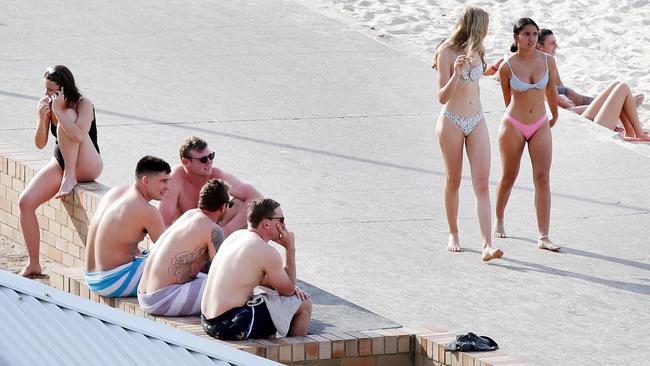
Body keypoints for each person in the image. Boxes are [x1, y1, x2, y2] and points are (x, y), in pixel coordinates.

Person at [18, 65, 103, 277]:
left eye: (51, 90)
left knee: (68, 115)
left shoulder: (84, 104)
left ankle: (70, 176)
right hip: (61, 161)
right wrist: (42, 117)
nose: (46, 94)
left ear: (63, 89)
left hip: (88, 163)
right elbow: (40, 144)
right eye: (45, 89)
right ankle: (34, 263)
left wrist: (58, 111)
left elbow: (77, 136)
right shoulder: (49, 105)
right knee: (25, 202)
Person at [432, 6, 503, 261]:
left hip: (477, 120)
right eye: (484, 26)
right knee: (453, 180)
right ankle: (453, 232)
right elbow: (442, 96)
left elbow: (477, 80)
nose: (486, 31)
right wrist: (456, 74)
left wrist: (492, 69)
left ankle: (487, 245)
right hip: (451, 119)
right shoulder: (447, 52)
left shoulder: (478, 50)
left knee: (482, 184)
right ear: (473, 25)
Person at [201, 198, 312, 340]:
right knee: (304, 304)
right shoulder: (266, 251)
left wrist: (286, 283)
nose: (284, 225)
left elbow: (255, 278)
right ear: (267, 223)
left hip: (207, 321)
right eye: (281, 220)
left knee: (268, 301)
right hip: (228, 325)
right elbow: (288, 291)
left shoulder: (235, 236)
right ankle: (296, 353)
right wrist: (290, 248)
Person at [494, 18, 561, 251]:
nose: (532, 38)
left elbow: (551, 89)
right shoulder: (507, 66)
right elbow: (507, 98)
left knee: (542, 177)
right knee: (509, 176)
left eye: (534, 34)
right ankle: (499, 219)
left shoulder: (548, 61)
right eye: (526, 34)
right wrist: (516, 119)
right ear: (516, 38)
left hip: (540, 123)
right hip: (513, 124)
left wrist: (555, 114)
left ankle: (543, 236)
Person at [137, 179, 231, 316]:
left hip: (144, 295)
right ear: (223, 207)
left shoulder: (189, 215)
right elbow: (223, 274)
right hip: (161, 301)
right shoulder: (213, 230)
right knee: (228, 286)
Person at [537, 29, 649, 141]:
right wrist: (565, 102)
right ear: (540, 46)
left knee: (617, 85)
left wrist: (565, 101)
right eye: (552, 43)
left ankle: (629, 127)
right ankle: (637, 130)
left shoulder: (545, 66)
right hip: (587, 128)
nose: (556, 46)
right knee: (622, 87)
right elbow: (558, 108)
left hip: (582, 120)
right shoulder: (541, 71)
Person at [84, 156, 170, 298]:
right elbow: (169, 252)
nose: (168, 187)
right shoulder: (147, 211)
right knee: (178, 268)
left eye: (169, 180)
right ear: (146, 181)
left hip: (92, 276)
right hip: (112, 282)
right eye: (163, 181)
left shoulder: (116, 192)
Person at [158, 136, 262, 235]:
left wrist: (228, 230)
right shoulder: (174, 180)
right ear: (186, 162)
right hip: (187, 233)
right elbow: (163, 224)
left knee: (241, 204)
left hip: (212, 228)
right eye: (203, 159)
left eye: (211, 156)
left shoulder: (216, 174)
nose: (209, 162)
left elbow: (256, 196)